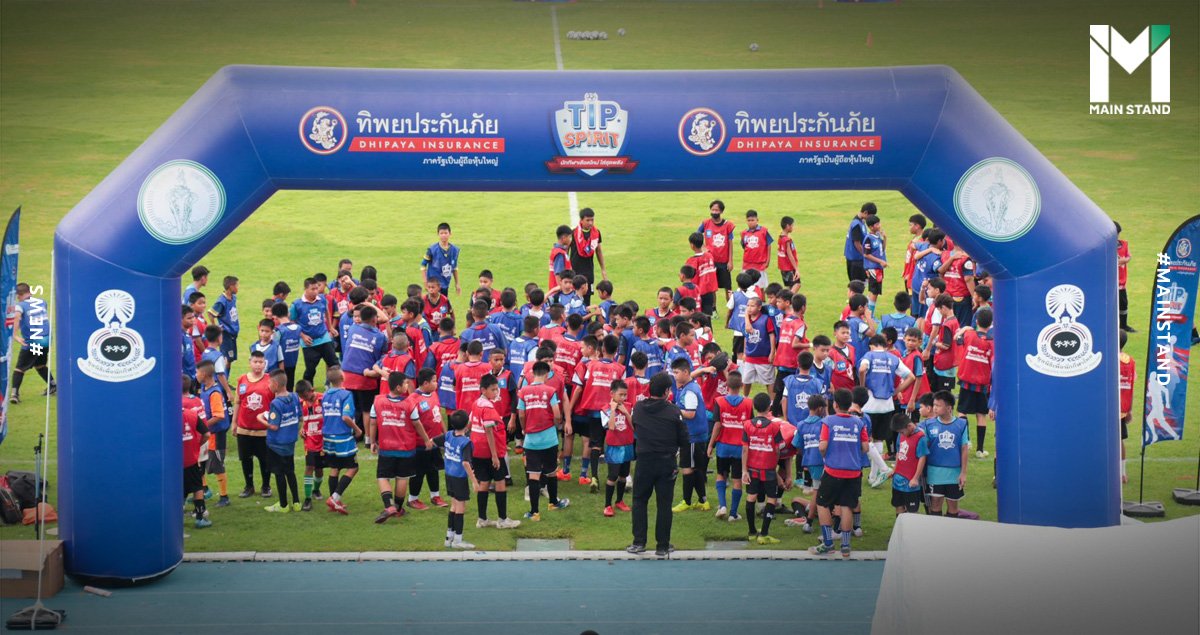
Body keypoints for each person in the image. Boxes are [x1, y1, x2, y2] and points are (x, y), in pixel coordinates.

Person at [627, 373, 690, 557]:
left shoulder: (638, 408)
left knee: (639, 500)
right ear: (666, 392)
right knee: (664, 504)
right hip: (666, 461)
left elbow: (636, 427)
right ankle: (662, 545)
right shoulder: (673, 411)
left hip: (644, 461)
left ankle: (639, 542)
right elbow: (684, 439)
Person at [809, 388, 869, 558]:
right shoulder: (859, 423)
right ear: (849, 404)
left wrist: (825, 455)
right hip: (853, 472)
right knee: (847, 506)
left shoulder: (828, 421)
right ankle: (845, 546)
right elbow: (865, 448)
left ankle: (828, 543)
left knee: (822, 503)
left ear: (834, 404)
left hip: (833, 470)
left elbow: (822, 446)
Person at [369, 372, 434, 524]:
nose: (408, 386)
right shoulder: (409, 404)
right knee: (402, 478)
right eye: (405, 384)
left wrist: (372, 441)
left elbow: (373, 422)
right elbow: (417, 424)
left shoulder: (378, 401)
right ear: (398, 387)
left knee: (383, 477)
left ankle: (389, 506)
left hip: (386, 447)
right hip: (406, 448)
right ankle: (397, 508)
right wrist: (426, 440)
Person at [859, 335, 916, 487]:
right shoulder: (892, 358)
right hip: (887, 404)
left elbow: (862, 369)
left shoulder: (869, 355)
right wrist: (896, 390)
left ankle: (883, 469)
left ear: (872, 345)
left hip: (869, 403)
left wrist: (862, 385)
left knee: (866, 438)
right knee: (878, 438)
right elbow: (911, 376)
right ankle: (873, 476)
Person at [517, 361, 570, 520]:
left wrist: (524, 428)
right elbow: (557, 414)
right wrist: (554, 425)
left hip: (531, 440)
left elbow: (521, 413)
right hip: (549, 439)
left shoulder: (524, 391)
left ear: (532, 374)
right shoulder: (551, 390)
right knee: (551, 471)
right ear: (547, 375)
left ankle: (534, 512)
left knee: (533, 475)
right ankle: (553, 503)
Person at [470, 374, 520, 529]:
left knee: (484, 482)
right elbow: (489, 431)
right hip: (490, 451)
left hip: (477, 449)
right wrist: (495, 456)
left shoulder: (476, 403)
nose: (496, 392)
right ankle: (503, 520)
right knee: (500, 482)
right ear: (483, 390)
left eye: (497, 389)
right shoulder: (488, 407)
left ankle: (482, 519)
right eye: (493, 390)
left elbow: (471, 421)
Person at [742, 393, 785, 544]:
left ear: (754, 407)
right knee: (771, 498)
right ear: (769, 407)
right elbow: (779, 448)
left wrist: (744, 471)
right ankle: (764, 533)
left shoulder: (747, 425)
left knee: (751, 497)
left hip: (752, 468)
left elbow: (745, 449)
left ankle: (752, 531)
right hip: (769, 469)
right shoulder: (774, 426)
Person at [432, 410, 479, 549]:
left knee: (453, 505)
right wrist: (474, 481)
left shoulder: (448, 435)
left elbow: (432, 442)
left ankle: (449, 538)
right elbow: (465, 463)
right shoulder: (465, 442)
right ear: (467, 425)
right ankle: (458, 540)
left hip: (449, 476)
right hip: (459, 477)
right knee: (460, 508)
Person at [708, 371, 750, 522]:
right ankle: (733, 513)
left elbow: (717, 425)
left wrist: (711, 444)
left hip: (723, 447)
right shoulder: (748, 403)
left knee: (721, 475)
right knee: (737, 480)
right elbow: (749, 426)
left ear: (726, 385)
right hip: (740, 448)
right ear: (742, 386)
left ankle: (722, 506)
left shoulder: (719, 401)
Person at [259, 370, 302, 513]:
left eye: (270, 382)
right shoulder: (295, 396)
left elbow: (274, 425)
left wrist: (261, 419)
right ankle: (296, 502)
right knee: (290, 471)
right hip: (290, 442)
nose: (268, 385)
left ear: (276, 384)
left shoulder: (276, 403)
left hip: (276, 444)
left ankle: (283, 505)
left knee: (279, 473)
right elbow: (299, 416)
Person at [406, 368, 449, 508]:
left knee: (434, 469)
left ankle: (435, 496)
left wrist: (445, 433)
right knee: (419, 472)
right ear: (425, 383)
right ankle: (412, 499)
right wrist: (425, 440)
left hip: (435, 441)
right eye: (434, 381)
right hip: (420, 444)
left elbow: (438, 416)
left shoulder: (434, 394)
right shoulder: (413, 399)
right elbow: (412, 422)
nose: (437, 384)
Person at [232, 351, 273, 499]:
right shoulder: (242, 379)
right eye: (255, 362)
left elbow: (275, 405)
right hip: (244, 429)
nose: (258, 365)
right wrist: (234, 422)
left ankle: (266, 486)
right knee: (246, 459)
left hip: (263, 431)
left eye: (260, 362)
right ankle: (249, 486)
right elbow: (237, 402)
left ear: (265, 363)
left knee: (265, 460)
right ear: (250, 362)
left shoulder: (270, 380)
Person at [321, 366, 362, 515]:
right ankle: (334, 498)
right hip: (342, 437)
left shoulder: (325, 395)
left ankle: (334, 501)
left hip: (328, 436)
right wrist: (357, 429)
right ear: (343, 378)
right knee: (353, 467)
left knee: (334, 467)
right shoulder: (346, 394)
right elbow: (345, 416)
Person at [922, 391, 969, 517]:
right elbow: (923, 449)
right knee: (935, 504)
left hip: (954, 473)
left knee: (953, 506)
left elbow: (964, 448)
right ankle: (936, 534)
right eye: (934, 405)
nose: (935, 408)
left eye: (938, 405)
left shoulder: (962, 424)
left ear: (949, 408)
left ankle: (950, 534)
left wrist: (963, 472)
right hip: (934, 473)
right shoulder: (928, 424)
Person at [955, 308, 994, 459]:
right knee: (981, 415)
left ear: (976, 321)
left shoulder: (969, 335)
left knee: (962, 411)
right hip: (983, 383)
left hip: (966, 380)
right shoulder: (992, 342)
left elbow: (957, 338)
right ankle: (980, 449)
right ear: (990, 324)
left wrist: (964, 328)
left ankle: (966, 442)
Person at [785, 394, 828, 530]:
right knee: (818, 490)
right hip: (822, 461)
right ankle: (809, 521)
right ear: (820, 409)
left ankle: (807, 517)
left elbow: (796, 445)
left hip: (809, 461)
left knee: (816, 489)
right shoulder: (824, 424)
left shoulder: (801, 425)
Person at [9, 283, 56, 403]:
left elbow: (17, 318)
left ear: (19, 295)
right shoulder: (42, 301)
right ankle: (53, 385)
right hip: (46, 340)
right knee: (39, 364)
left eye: (17, 296)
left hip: (34, 341)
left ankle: (14, 394)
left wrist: (15, 335)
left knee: (19, 368)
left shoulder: (20, 306)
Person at [290, 278, 340, 386]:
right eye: (312, 289)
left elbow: (326, 311)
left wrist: (330, 327)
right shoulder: (297, 305)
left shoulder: (321, 299)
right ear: (305, 289)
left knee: (335, 364)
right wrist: (302, 336)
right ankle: (306, 393)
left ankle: (339, 387)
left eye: (316, 288)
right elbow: (292, 322)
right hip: (309, 343)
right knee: (310, 370)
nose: (315, 291)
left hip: (324, 338)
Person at [196, 360, 231, 507]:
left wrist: (201, 425)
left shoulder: (214, 393)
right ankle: (204, 489)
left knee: (217, 465)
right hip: (209, 433)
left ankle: (224, 496)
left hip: (216, 435)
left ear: (204, 374)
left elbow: (219, 415)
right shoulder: (205, 388)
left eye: (197, 372)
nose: (195, 375)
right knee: (200, 462)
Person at [183, 374, 212, 529]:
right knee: (197, 485)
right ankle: (200, 516)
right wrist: (197, 444)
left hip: (176, 458)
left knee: (178, 486)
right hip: (193, 453)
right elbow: (206, 433)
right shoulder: (196, 402)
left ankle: (175, 515)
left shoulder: (169, 413)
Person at [602, 380, 634, 517]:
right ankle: (607, 505)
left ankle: (619, 501)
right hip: (614, 446)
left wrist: (626, 413)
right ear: (612, 394)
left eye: (625, 395)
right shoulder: (605, 409)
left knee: (623, 475)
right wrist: (614, 410)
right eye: (621, 395)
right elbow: (611, 427)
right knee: (613, 476)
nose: (623, 398)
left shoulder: (629, 406)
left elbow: (634, 427)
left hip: (627, 445)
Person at [698, 199, 736, 303]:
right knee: (711, 287)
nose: (714, 212)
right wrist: (703, 248)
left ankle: (731, 307)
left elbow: (730, 243)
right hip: (711, 261)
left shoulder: (728, 225)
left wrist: (730, 261)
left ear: (721, 211)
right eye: (712, 210)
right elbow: (697, 236)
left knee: (728, 287)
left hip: (724, 261)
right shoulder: (706, 223)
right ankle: (713, 309)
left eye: (716, 210)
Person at [739, 297, 778, 396]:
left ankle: (772, 402)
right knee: (746, 380)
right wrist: (744, 353)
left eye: (752, 306)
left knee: (769, 381)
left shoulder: (766, 319)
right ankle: (745, 398)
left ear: (759, 307)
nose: (749, 308)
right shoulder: (746, 322)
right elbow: (746, 338)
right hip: (750, 357)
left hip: (764, 357)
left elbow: (772, 336)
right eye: (748, 305)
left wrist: (772, 352)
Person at [296, 380, 324, 510]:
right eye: (302, 397)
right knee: (309, 467)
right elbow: (304, 419)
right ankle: (307, 499)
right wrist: (302, 429)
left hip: (323, 439)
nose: (304, 399)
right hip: (309, 440)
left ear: (311, 390)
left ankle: (316, 490)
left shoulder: (323, 399)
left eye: (306, 396)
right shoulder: (302, 403)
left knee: (319, 469)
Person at [570, 208, 607, 303]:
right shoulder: (573, 233)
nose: (590, 223)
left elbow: (599, 251)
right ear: (581, 220)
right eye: (588, 220)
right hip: (575, 272)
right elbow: (566, 251)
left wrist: (603, 269)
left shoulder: (596, 233)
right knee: (573, 299)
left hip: (588, 272)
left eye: (592, 220)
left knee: (587, 299)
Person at [209, 275, 240, 370]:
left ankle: (225, 381)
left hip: (232, 333)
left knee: (230, 359)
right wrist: (216, 328)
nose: (238, 287)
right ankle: (223, 381)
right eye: (236, 285)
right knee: (226, 359)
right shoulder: (221, 301)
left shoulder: (233, 298)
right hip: (226, 334)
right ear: (231, 286)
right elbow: (211, 313)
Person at [422, 222, 461, 295]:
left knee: (443, 303)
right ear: (438, 234)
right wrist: (425, 282)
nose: (444, 235)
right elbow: (423, 265)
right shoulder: (432, 249)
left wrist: (457, 283)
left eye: (446, 233)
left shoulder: (454, 250)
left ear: (450, 234)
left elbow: (454, 267)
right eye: (441, 233)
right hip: (433, 285)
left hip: (445, 283)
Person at [271, 303, 302, 391]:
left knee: (279, 387)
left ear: (275, 317)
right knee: (290, 386)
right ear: (288, 313)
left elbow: (274, 347)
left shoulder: (278, 331)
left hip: (280, 365)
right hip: (293, 362)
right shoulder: (298, 328)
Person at [686, 232, 718, 316]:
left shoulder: (691, 261)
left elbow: (688, 277)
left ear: (692, 245)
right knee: (707, 318)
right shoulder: (709, 256)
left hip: (698, 292)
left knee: (697, 318)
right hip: (710, 291)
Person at [740, 210, 773, 290]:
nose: (751, 222)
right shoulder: (744, 233)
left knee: (760, 286)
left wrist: (767, 260)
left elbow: (769, 245)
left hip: (760, 264)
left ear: (757, 220)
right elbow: (744, 246)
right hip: (747, 264)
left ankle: (762, 301)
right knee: (745, 285)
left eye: (752, 220)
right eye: (749, 220)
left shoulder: (764, 231)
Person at [861, 214, 887, 316]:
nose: (879, 225)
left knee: (873, 291)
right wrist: (880, 261)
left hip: (878, 268)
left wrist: (884, 238)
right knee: (874, 292)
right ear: (871, 226)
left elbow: (882, 249)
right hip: (873, 268)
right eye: (877, 224)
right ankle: (870, 314)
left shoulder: (877, 236)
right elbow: (866, 254)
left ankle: (866, 311)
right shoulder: (868, 238)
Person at [1118, 330, 1135, 483]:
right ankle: (1123, 474)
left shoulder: (1109, 361)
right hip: (1123, 409)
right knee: (1119, 441)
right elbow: (1130, 385)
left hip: (1109, 409)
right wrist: (1129, 409)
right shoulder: (1130, 361)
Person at [843, 203, 874, 283]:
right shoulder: (856, 224)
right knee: (857, 287)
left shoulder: (860, 222)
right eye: (870, 216)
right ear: (865, 213)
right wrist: (866, 255)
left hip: (857, 260)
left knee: (862, 284)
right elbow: (857, 243)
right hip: (856, 261)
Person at [1116, 222, 1135, 332]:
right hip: (1111, 282)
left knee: (1123, 304)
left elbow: (1129, 256)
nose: (1117, 236)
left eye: (1118, 233)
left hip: (1122, 282)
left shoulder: (1123, 244)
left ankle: (1123, 325)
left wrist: (1126, 260)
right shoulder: (1106, 246)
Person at [777, 216, 800, 292]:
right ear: (787, 226)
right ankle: (787, 300)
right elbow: (790, 255)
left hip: (783, 267)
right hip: (789, 267)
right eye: (792, 225)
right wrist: (796, 269)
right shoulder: (787, 240)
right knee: (797, 284)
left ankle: (788, 302)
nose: (793, 227)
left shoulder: (781, 237)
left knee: (790, 286)